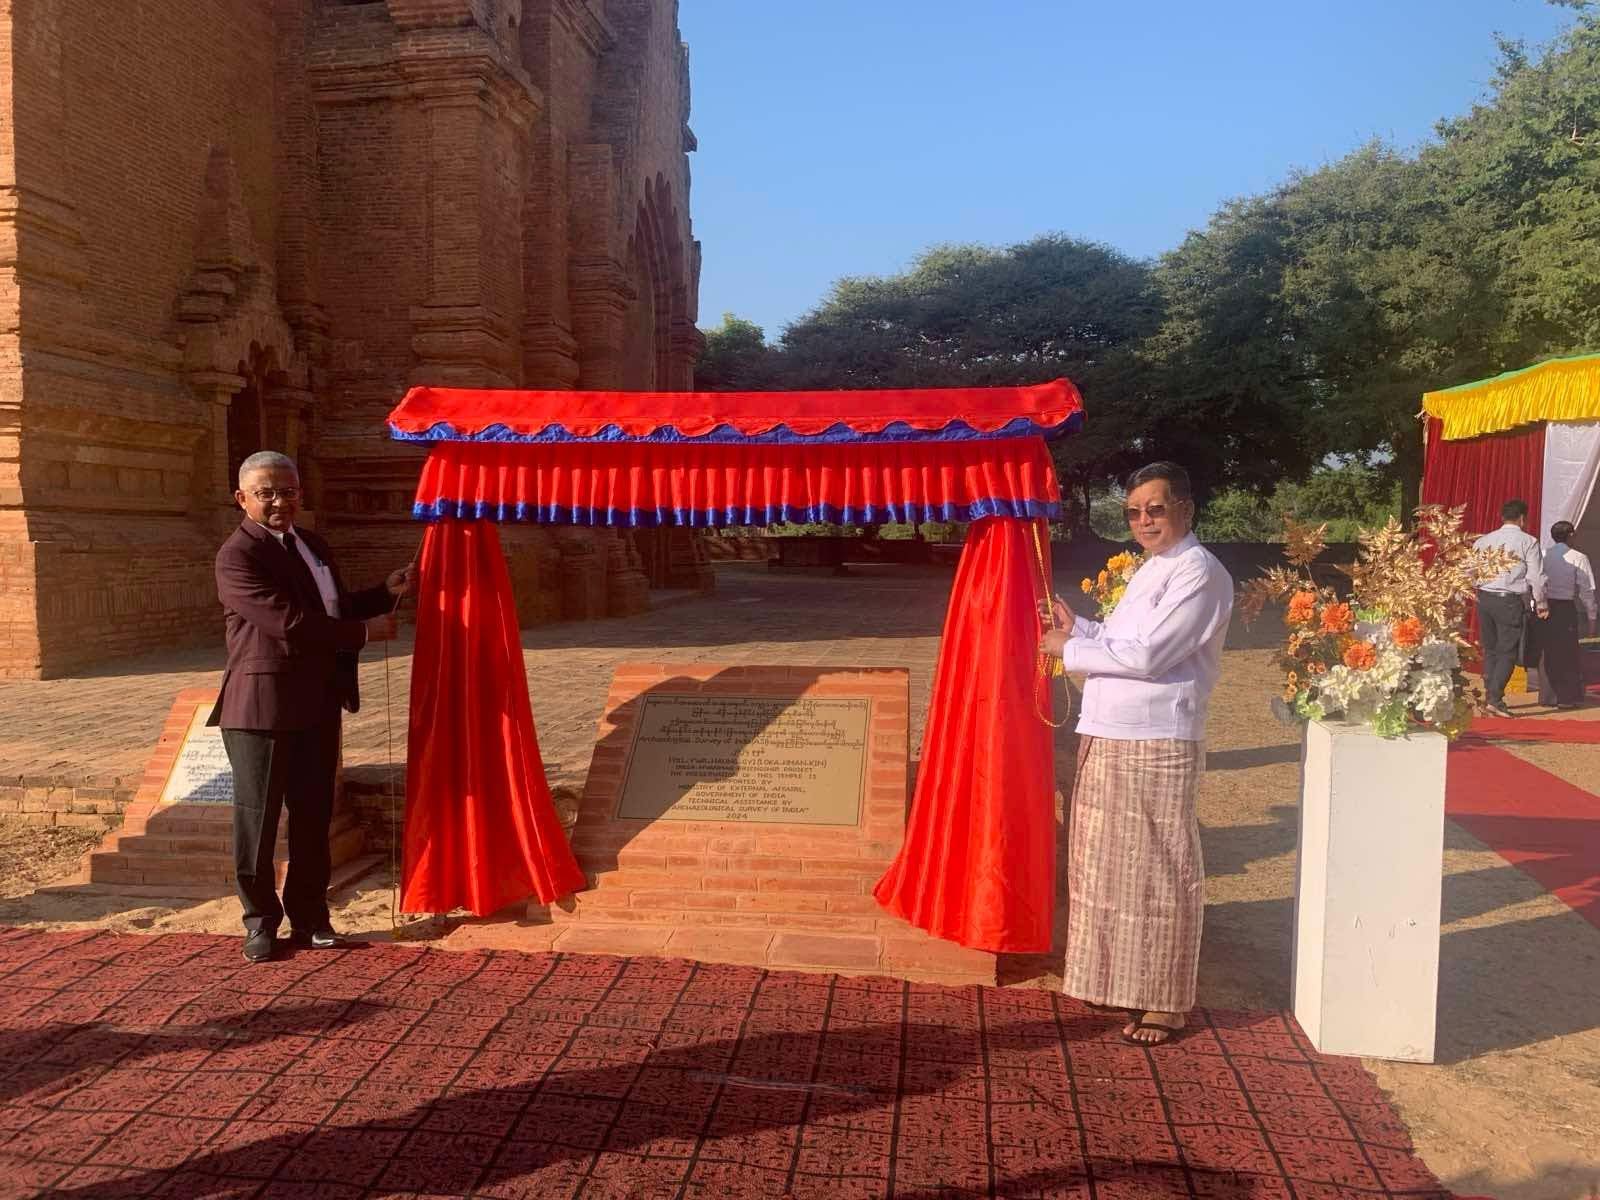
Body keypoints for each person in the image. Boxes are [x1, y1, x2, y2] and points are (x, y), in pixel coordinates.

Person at [1039, 461, 1233, 1046]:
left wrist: (1068, 650)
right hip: (1110, 731)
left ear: (1185, 509)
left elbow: (1150, 656)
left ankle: (1165, 1002)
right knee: (1104, 866)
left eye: (1155, 509)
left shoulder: (1199, 571)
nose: (1144, 521)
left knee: (1158, 871)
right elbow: (1125, 641)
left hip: (1156, 736)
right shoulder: (1153, 567)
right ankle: (1114, 980)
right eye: (1133, 512)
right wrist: (1082, 629)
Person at [209, 451, 416, 963]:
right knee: (257, 821)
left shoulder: (313, 545)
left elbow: (331, 609)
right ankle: (260, 923)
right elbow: (287, 622)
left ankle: (310, 919)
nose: (280, 502)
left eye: (289, 491)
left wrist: (381, 594)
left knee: (312, 816)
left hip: (318, 702)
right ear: (242, 498)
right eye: (267, 493)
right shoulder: (238, 555)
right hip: (262, 708)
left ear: (301, 493)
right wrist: (362, 633)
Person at [1472, 500, 1548, 718]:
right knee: (1507, 651)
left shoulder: (1483, 541)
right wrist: (1541, 603)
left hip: (1484, 598)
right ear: (1522, 518)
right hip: (1508, 601)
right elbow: (1536, 577)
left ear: (1502, 517)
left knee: (1490, 648)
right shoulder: (1528, 542)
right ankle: (1495, 699)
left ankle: (1490, 696)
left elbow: (1469, 571)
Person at [1538, 521, 1596, 710]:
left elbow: (1536, 583)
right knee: (1567, 652)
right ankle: (1566, 697)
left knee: (1548, 651)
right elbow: (1586, 590)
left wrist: (1537, 605)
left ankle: (1548, 696)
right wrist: (1592, 617)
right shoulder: (1578, 557)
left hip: (1545, 607)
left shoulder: (1543, 555)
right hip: (1565, 608)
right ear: (1571, 535)